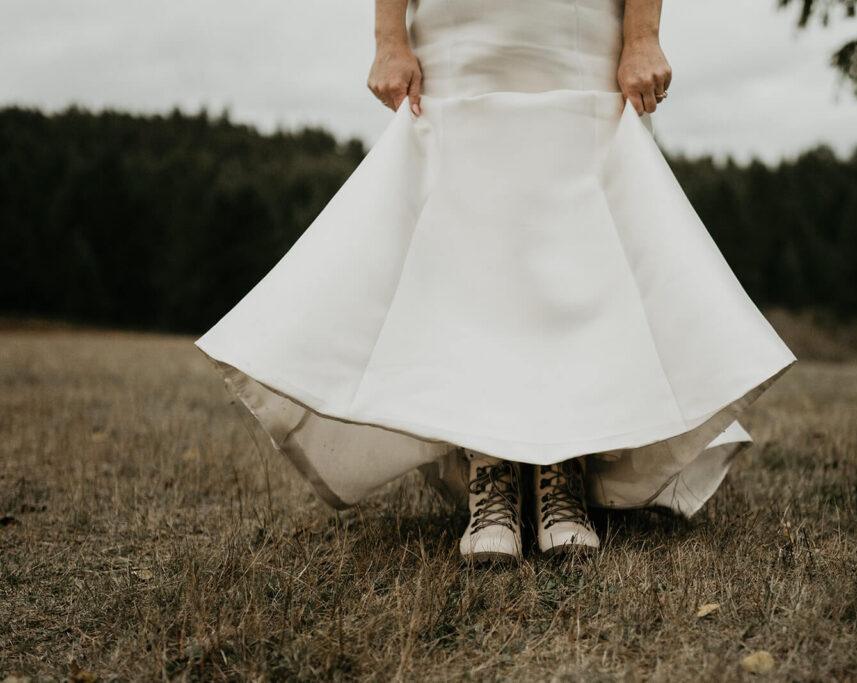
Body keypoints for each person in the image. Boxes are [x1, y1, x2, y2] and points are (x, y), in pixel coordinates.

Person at [194, 0, 796, 565]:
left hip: (573, 31)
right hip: (464, 35)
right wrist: (388, 38)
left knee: (576, 252)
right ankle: (493, 476)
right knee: (471, 254)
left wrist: (642, 36)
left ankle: (562, 468)